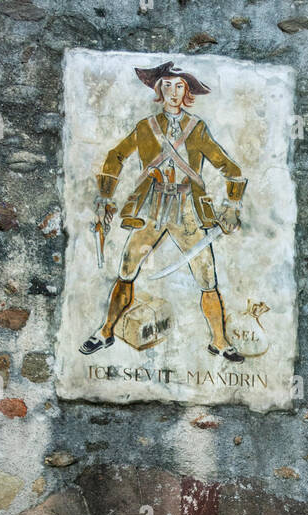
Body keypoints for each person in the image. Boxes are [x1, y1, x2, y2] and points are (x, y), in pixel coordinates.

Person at [80, 61, 247, 361]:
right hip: (152, 208)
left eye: (179, 85)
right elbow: (115, 155)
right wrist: (105, 197)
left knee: (207, 278)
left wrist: (232, 205)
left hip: (188, 210)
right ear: (159, 89)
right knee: (127, 270)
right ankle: (105, 331)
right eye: (167, 84)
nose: (173, 91)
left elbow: (229, 167)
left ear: (187, 91)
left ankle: (219, 341)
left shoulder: (197, 129)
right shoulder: (146, 127)